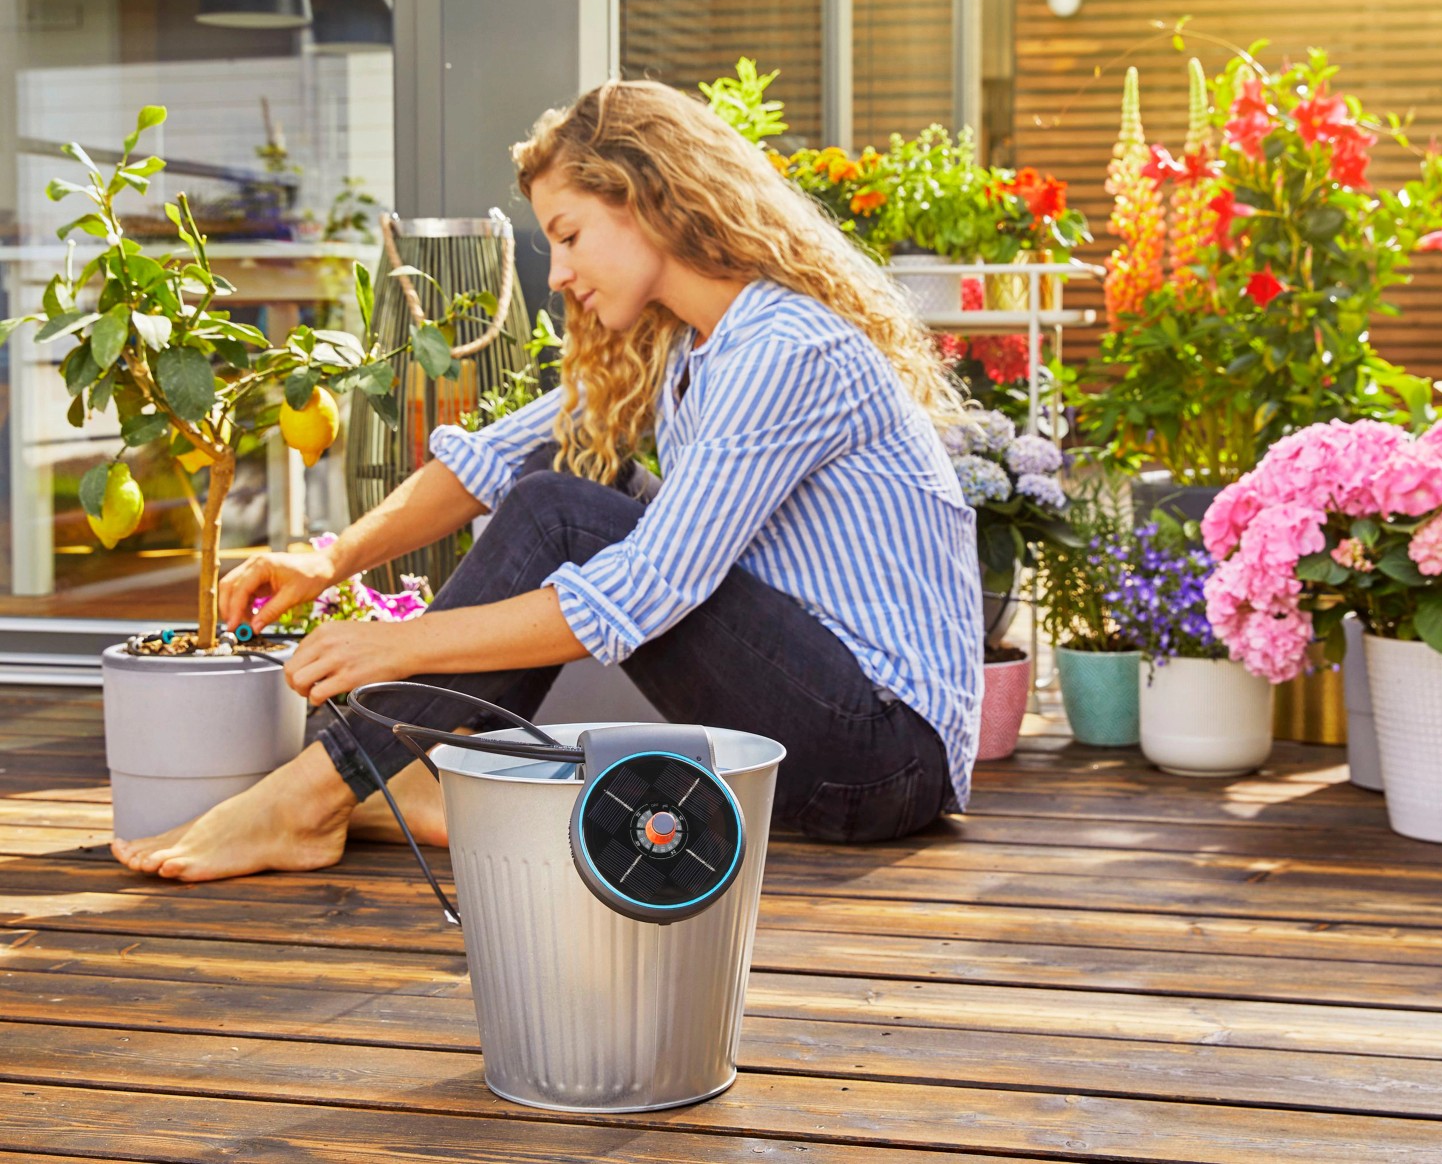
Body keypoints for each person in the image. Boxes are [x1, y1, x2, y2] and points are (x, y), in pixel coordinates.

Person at [111, 80, 983, 883]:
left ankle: (312, 798)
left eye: (568, 235)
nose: (558, 273)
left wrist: (400, 646)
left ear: (649, 199)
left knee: (564, 512)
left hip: (879, 759)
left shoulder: (786, 351)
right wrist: (325, 561)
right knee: (550, 473)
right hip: (822, 718)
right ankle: (427, 774)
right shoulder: (685, 343)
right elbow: (488, 463)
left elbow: (646, 589)